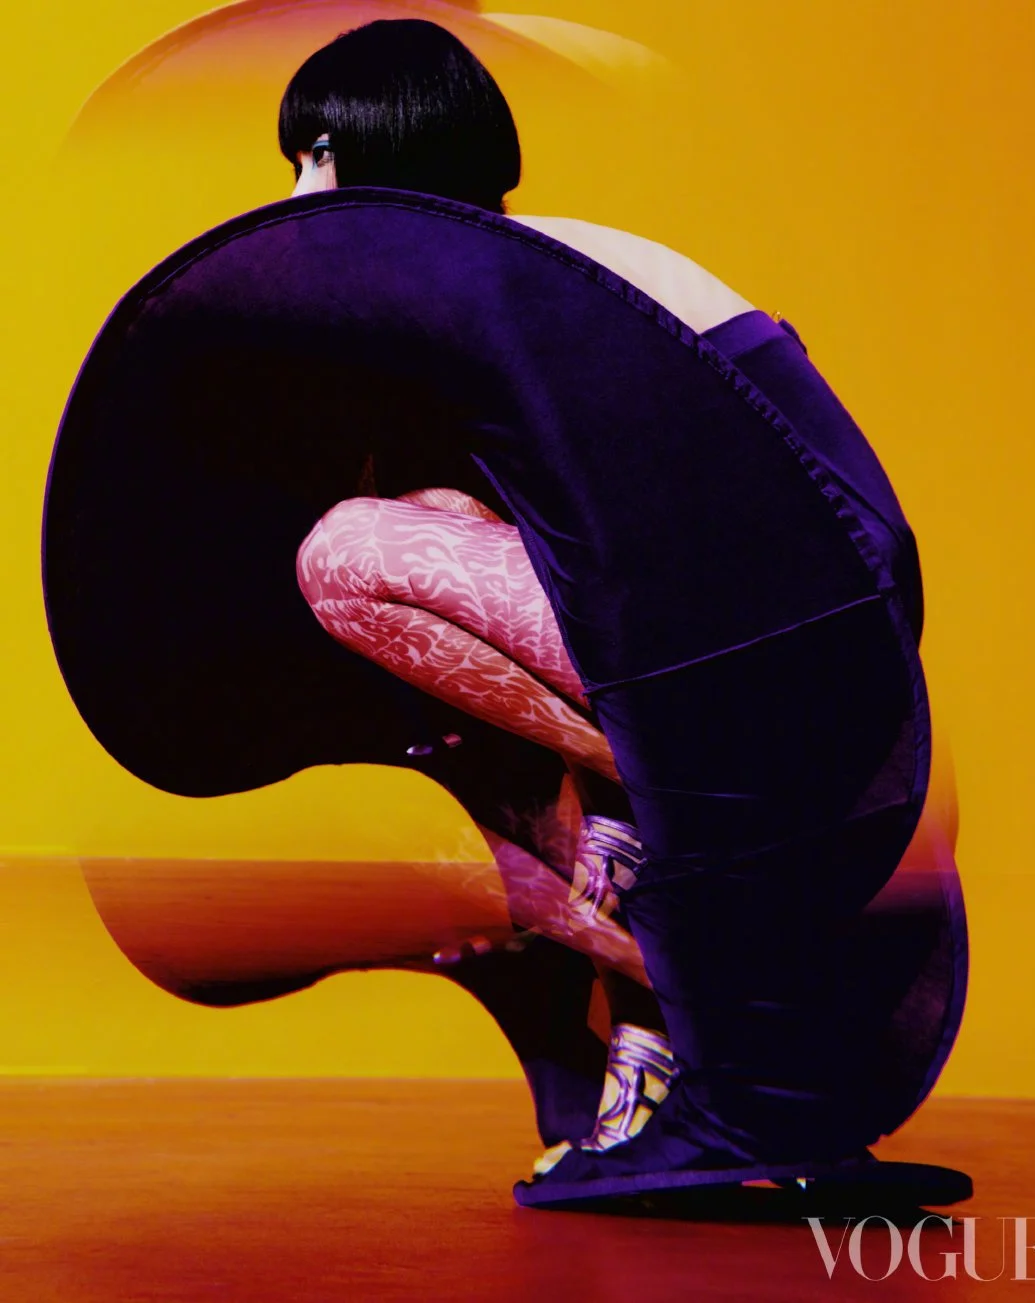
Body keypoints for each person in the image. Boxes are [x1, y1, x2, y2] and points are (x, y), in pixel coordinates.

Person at [273, 16, 933, 1196]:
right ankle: (654, 1047)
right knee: (433, 528)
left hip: (771, 653)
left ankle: (666, 850)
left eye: (314, 152)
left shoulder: (523, 284)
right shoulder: (562, 272)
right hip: (806, 646)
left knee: (345, 553)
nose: (294, 190)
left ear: (387, 140)